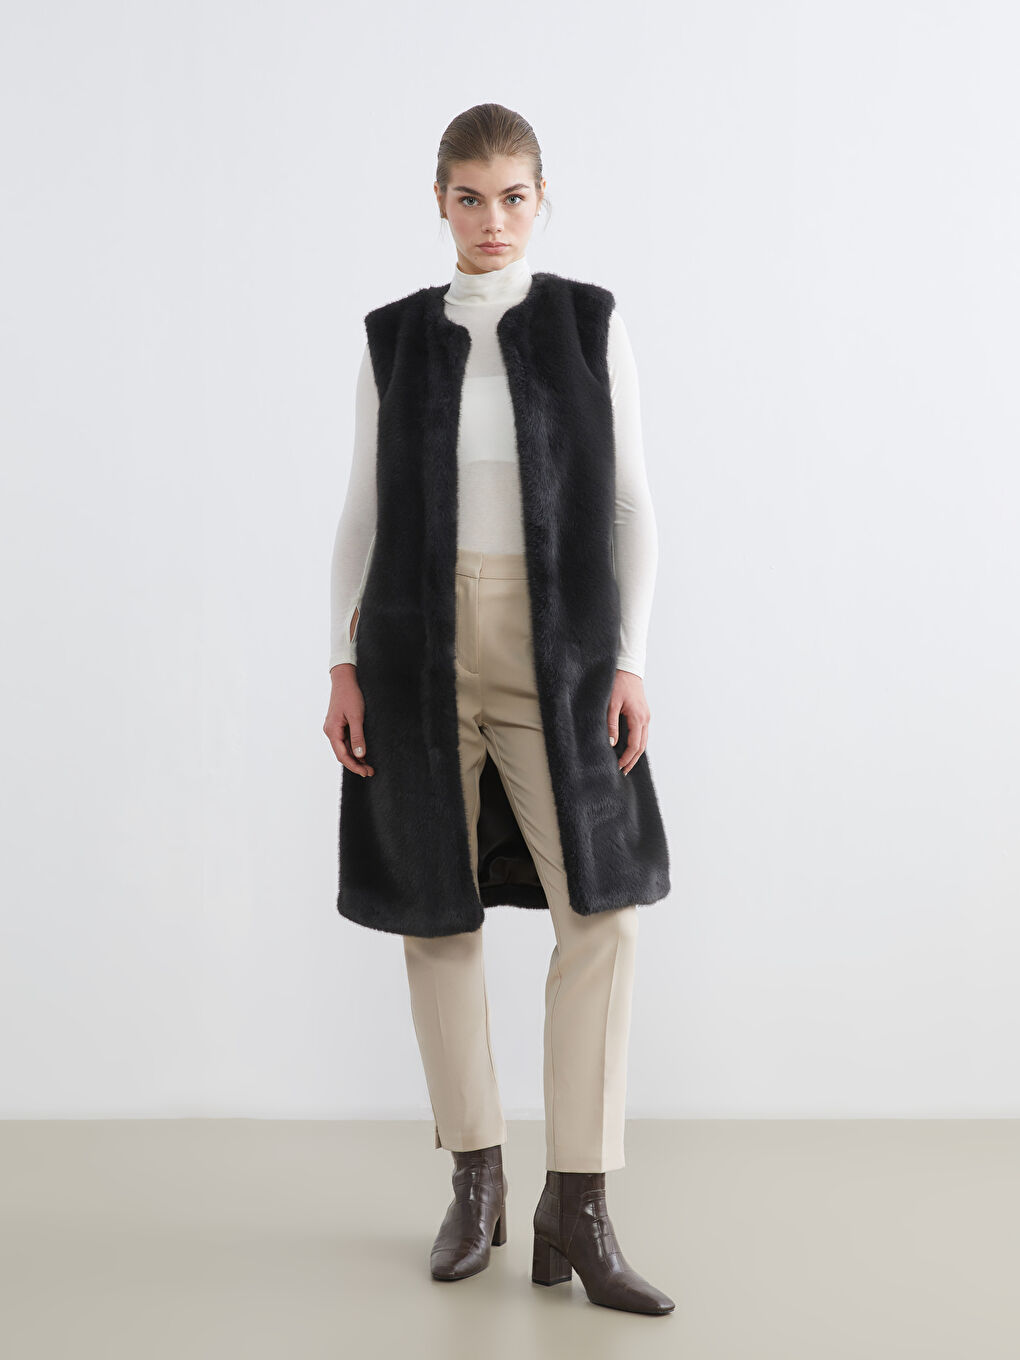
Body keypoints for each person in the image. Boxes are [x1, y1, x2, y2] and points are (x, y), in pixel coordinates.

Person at [323, 103, 674, 1316]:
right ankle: (475, 1176)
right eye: (469, 197)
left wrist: (629, 660)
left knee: (603, 913)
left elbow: (631, 505)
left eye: (512, 196)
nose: (492, 219)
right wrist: (340, 661)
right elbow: (362, 513)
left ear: (541, 198)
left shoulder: (588, 324)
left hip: (558, 646)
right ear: (440, 200)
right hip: (416, 645)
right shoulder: (395, 339)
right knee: (437, 910)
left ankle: (579, 1199)